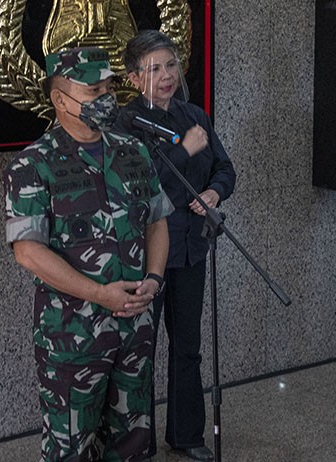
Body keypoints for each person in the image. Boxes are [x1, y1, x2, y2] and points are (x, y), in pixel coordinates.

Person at [3, 46, 174, 461]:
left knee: (132, 440)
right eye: (93, 90)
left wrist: (153, 278)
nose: (106, 99)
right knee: (70, 447)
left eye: (109, 87)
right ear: (60, 98)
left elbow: (157, 222)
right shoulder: (33, 165)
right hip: (72, 336)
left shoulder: (133, 151)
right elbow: (28, 252)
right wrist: (99, 294)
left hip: (135, 326)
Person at [115, 30, 237, 462]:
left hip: (191, 250)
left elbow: (225, 168)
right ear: (133, 78)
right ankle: (137, 441)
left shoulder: (193, 115)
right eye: (154, 68)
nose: (166, 76)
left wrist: (215, 194)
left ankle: (186, 434)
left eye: (170, 65)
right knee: (141, 351)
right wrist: (183, 153)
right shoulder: (124, 125)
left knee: (188, 346)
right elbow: (136, 188)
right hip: (146, 256)